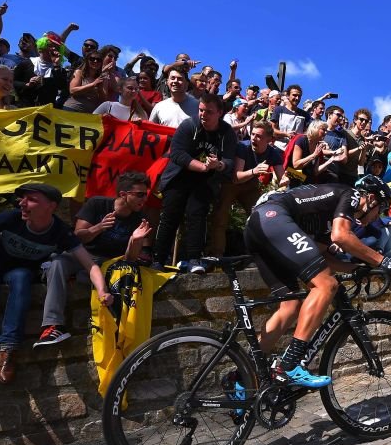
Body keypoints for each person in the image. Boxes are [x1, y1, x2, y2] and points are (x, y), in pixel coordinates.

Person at [0, 183, 113, 390]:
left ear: (51, 206)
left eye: (31, 199)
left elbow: (90, 265)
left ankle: (8, 350)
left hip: (18, 271)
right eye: (22, 199)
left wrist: (102, 291)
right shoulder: (10, 218)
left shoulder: (60, 232)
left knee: (22, 278)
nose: (22, 204)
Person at [243, 175, 391, 387]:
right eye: (380, 210)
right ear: (371, 199)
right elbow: (341, 237)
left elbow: (323, 256)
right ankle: (289, 364)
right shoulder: (352, 194)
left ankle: (244, 377)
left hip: (259, 226)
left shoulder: (327, 218)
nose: (377, 218)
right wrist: (384, 261)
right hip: (273, 218)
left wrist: (360, 268)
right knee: (326, 284)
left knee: (290, 305)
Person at [37, 172, 152, 347]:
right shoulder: (97, 204)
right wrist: (99, 227)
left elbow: (130, 259)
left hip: (109, 263)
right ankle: (53, 325)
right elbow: (77, 237)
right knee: (58, 263)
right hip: (83, 255)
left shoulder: (139, 218)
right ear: (123, 194)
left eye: (145, 194)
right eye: (139, 194)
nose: (144, 199)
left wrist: (136, 241)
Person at [151, 93, 236, 272]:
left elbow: (229, 161)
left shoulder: (227, 133)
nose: (203, 115)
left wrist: (218, 165)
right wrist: (202, 166)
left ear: (220, 113)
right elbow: (177, 154)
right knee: (170, 216)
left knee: (197, 216)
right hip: (178, 177)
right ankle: (158, 259)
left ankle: (194, 259)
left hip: (204, 183)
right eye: (201, 110)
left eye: (209, 112)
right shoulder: (189, 125)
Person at [206, 120, 284, 257]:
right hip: (229, 184)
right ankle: (216, 256)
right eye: (253, 134)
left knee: (260, 218)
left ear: (269, 140)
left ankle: (258, 255)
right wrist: (254, 171)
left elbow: (282, 177)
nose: (254, 138)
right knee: (220, 218)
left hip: (250, 185)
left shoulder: (274, 153)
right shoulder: (243, 147)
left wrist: (285, 180)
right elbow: (236, 177)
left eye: (259, 136)